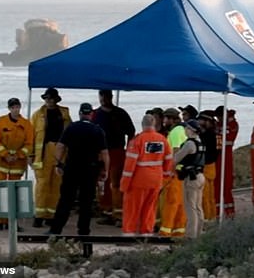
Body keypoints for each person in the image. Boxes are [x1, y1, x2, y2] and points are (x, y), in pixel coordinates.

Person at [47, 103, 109, 235]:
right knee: (86, 203)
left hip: (72, 169)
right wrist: (106, 170)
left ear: (80, 114)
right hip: (90, 170)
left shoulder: (71, 128)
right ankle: (84, 231)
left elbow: (60, 147)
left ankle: (56, 230)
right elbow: (104, 153)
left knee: (65, 200)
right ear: (91, 115)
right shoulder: (98, 130)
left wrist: (58, 164)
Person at [120, 115, 173, 236]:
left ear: (142, 124)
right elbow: (169, 160)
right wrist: (164, 176)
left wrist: (124, 185)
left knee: (132, 208)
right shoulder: (162, 140)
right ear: (154, 124)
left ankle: (129, 233)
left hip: (138, 181)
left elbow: (129, 166)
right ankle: (146, 233)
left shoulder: (138, 140)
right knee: (150, 208)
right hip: (156, 180)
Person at [92, 89, 136, 227]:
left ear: (111, 96)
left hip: (117, 152)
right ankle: (106, 212)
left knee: (116, 183)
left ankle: (119, 214)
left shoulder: (120, 113)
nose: (104, 99)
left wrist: (129, 150)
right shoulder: (95, 114)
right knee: (102, 183)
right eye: (102, 96)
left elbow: (131, 131)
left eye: (107, 96)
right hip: (100, 153)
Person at [30, 88, 72, 227]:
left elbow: (70, 134)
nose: (48, 101)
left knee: (56, 184)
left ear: (55, 99)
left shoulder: (64, 114)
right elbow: (31, 137)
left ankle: (51, 215)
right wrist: (31, 155)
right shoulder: (37, 115)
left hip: (60, 151)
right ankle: (39, 215)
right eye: (46, 98)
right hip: (43, 153)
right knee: (42, 184)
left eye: (50, 98)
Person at [0, 97, 33, 231]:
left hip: (17, 165)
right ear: (9, 108)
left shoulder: (27, 125)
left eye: (17, 107)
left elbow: (29, 145)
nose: (15, 109)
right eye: (13, 107)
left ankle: (12, 222)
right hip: (1, 164)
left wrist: (18, 155)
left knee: (15, 194)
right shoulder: (1, 121)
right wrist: (5, 155)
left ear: (20, 107)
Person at [158, 107, 188, 237]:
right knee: (180, 202)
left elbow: (176, 151)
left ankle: (166, 230)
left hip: (175, 172)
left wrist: (171, 169)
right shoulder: (183, 130)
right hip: (182, 172)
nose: (164, 121)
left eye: (165, 118)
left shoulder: (175, 132)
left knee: (171, 201)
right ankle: (178, 230)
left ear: (171, 119)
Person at [174, 119, 206, 238]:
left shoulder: (189, 144)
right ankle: (199, 233)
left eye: (186, 129)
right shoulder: (200, 142)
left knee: (190, 207)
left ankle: (190, 236)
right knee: (198, 207)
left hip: (191, 178)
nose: (185, 131)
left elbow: (176, 158)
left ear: (191, 130)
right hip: (200, 176)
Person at [214, 105, 239, 218]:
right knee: (217, 185)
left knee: (226, 186)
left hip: (226, 158)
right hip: (219, 157)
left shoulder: (232, 124)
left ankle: (230, 212)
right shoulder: (219, 124)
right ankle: (217, 211)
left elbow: (226, 138)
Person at [197, 110, 218, 220]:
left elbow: (210, 153)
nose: (199, 122)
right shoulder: (211, 134)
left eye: (201, 120)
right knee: (209, 196)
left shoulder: (208, 135)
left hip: (206, 167)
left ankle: (207, 218)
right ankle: (211, 217)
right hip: (209, 166)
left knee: (205, 196)